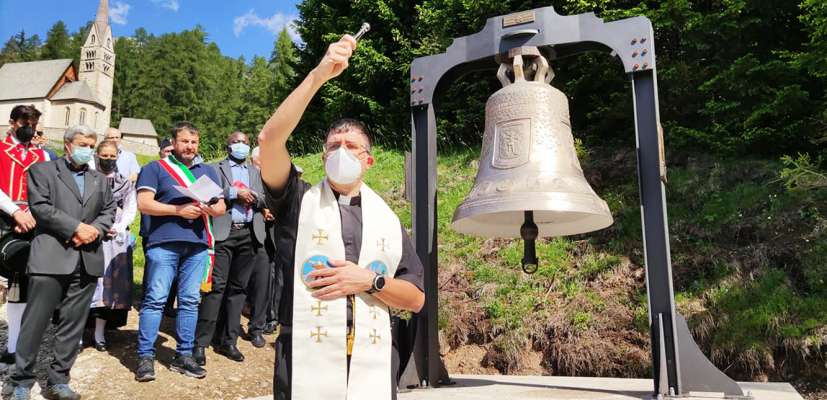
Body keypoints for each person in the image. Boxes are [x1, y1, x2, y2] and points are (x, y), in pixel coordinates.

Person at [257, 35, 425, 400]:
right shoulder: (297, 202)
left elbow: (415, 299)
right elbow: (269, 140)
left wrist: (369, 280)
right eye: (334, 146)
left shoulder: (387, 222)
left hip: (374, 359)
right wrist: (319, 74)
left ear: (369, 160)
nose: (341, 151)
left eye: (352, 147)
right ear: (322, 158)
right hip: (303, 357)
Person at [6, 125, 116, 400]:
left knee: (72, 324)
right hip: (51, 257)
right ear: (67, 145)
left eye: (91, 146)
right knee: (36, 322)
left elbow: (109, 209)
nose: (88, 150)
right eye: (82, 144)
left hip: (87, 258)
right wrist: (76, 227)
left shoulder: (99, 179)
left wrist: (96, 230)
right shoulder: (42, 171)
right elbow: (41, 207)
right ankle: (20, 381)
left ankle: (59, 380)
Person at [134, 122, 225, 382]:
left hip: (197, 244)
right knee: (155, 300)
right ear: (173, 143)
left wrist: (208, 208)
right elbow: (144, 203)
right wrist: (178, 210)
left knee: (189, 301)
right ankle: (145, 356)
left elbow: (220, 208)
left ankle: (184, 355)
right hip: (163, 242)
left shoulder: (207, 171)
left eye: (194, 142)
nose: (190, 147)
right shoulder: (155, 169)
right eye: (185, 141)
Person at [193, 131, 269, 365]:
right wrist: (235, 193)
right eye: (236, 142)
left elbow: (267, 199)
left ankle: (229, 340)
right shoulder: (214, 169)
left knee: (238, 290)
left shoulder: (256, 172)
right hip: (224, 233)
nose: (241, 146)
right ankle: (201, 344)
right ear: (228, 146)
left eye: (245, 143)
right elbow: (203, 192)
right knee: (216, 288)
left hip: (249, 234)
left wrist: (255, 198)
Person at [0, 105, 51, 366]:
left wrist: (30, 213)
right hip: (3, 218)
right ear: (12, 122)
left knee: (21, 283)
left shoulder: (43, 156)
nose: (29, 126)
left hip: (33, 221)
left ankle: (14, 345)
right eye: (24, 121)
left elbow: (48, 190)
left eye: (33, 122)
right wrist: (15, 212)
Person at [87, 140, 137, 351]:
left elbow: (130, 207)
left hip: (114, 237)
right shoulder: (87, 178)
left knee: (108, 286)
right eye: (104, 156)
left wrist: (120, 225)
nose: (108, 159)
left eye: (112, 156)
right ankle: (78, 330)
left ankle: (100, 333)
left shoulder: (123, 182)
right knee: (86, 284)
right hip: (89, 235)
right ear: (97, 155)